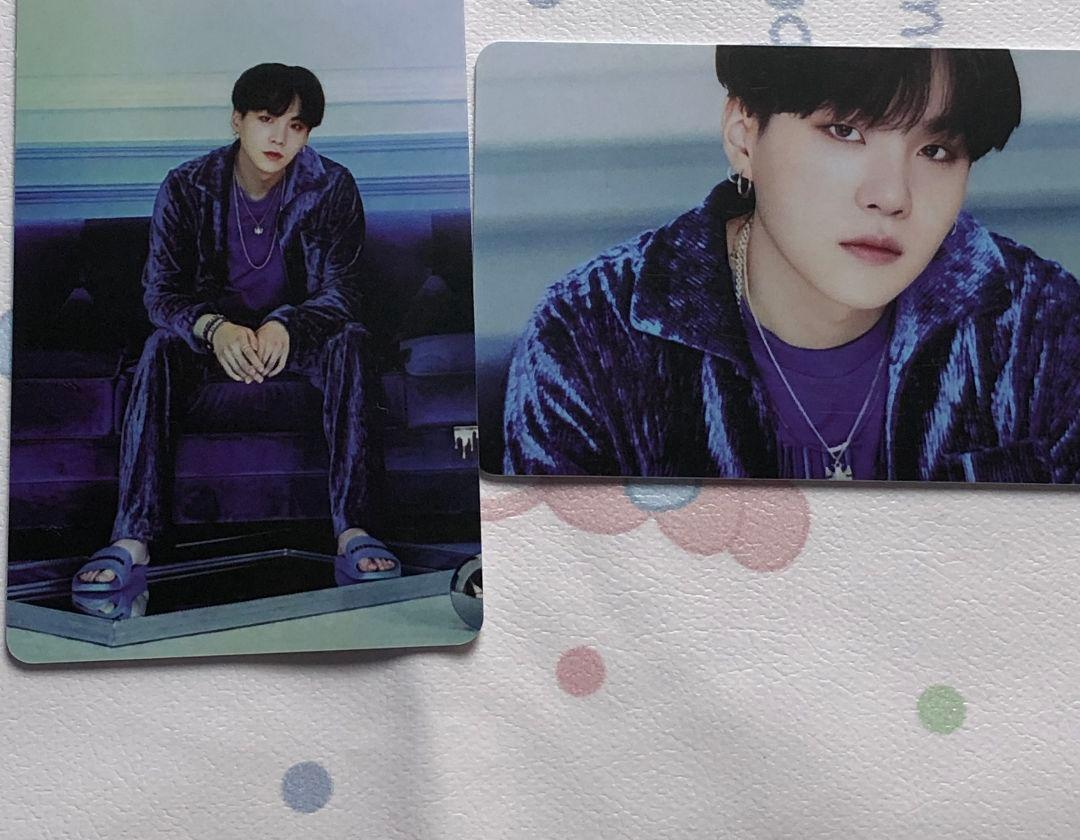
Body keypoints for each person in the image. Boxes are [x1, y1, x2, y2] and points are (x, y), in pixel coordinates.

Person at [503, 46, 1080, 483]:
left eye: (935, 151)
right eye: (845, 131)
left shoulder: (1042, 328)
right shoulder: (592, 331)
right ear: (744, 137)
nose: (891, 196)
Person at [74, 63, 399, 593]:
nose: (279, 138)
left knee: (353, 343)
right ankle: (133, 537)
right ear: (237, 120)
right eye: (267, 119)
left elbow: (342, 291)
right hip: (211, 344)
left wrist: (286, 325)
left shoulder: (331, 186)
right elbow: (160, 293)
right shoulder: (187, 186)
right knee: (159, 349)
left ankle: (355, 531)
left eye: (296, 126)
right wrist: (214, 329)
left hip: (300, 343)